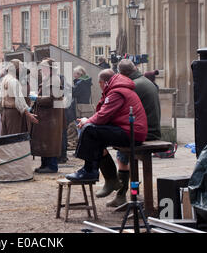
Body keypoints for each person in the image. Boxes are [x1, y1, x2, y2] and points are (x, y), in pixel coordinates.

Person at [96, 59, 161, 207]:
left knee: (120, 154)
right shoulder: (145, 81)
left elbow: (116, 113)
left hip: (145, 133)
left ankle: (122, 193)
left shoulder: (131, 86)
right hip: (153, 129)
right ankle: (131, 193)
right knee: (122, 149)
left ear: (122, 74)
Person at [65, 69, 148, 183]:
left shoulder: (117, 92)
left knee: (89, 130)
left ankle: (90, 171)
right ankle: (107, 179)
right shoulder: (119, 89)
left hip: (132, 133)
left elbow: (103, 116)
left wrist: (87, 121)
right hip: (131, 131)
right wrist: (89, 121)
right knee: (95, 135)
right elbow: (105, 115)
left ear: (102, 82)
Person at [31, 58, 64, 174]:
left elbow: (51, 99)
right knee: (44, 140)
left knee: (50, 141)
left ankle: (52, 166)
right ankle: (44, 164)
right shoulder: (48, 79)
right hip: (46, 116)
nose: (41, 70)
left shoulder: (54, 80)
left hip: (51, 117)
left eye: (44, 68)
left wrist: (36, 98)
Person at [0, 59, 38, 135]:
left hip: (6, 112)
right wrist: (28, 114)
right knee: (14, 138)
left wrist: (2, 113)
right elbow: (19, 101)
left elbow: (0, 100)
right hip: (14, 113)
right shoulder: (14, 81)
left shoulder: (4, 80)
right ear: (17, 69)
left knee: (6, 138)